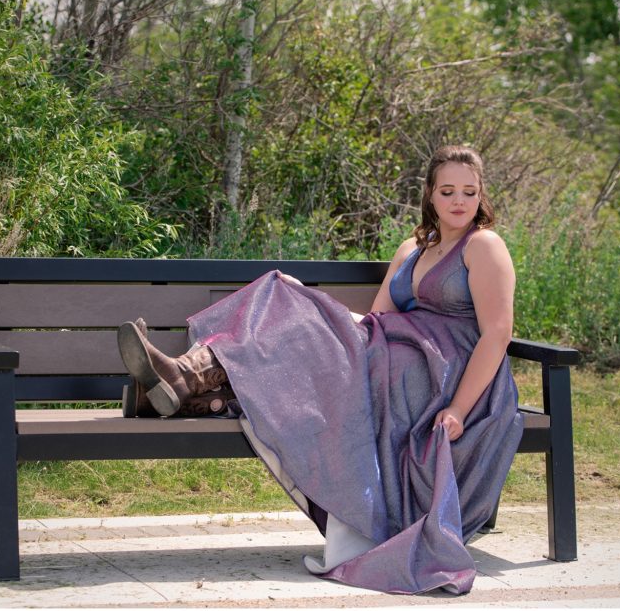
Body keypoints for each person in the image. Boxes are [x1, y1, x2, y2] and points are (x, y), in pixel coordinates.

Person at [117, 145, 522, 595]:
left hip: (441, 371)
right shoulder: (412, 248)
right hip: (390, 353)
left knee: (295, 320)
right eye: (447, 191)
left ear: (481, 193)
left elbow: (497, 333)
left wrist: (460, 409)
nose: (459, 201)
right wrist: (311, 309)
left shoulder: (483, 245)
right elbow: (375, 322)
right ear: (429, 193)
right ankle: (185, 383)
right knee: (279, 294)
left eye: (469, 191)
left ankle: (180, 387)